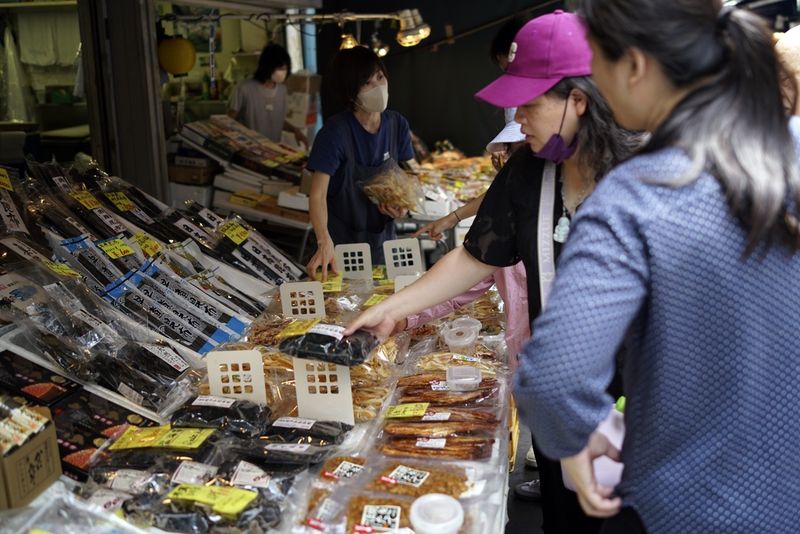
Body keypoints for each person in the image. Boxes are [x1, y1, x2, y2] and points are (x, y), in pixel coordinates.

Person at [346, 11, 638, 533]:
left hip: (642, 403)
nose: (517, 115)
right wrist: (391, 309)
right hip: (564, 402)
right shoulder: (530, 170)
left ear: (578, 99)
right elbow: (478, 256)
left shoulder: (647, 173)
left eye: (529, 102)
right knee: (567, 520)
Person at [516, 2, 800, 533]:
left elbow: (554, 377)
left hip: (682, 511)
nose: (595, 77)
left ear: (636, 67)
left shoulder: (635, 199)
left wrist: (576, 435)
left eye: (597, 58)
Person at [306, 46, 415, 278]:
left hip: (383, 241)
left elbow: (408, 176)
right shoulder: (334, 133)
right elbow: (316, 195)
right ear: (350, 92)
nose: (378, 86)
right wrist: (324, 240)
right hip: (342, 244)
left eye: (380, 76)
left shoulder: (397, 125)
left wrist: (403, 206)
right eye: (367, 83)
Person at [228, 43, 307, 146]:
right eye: (279, 69)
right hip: (249, 151)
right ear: (267, 66)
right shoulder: (244, 88)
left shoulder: (282, 91)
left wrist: (295, 130)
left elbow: (276, 122)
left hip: (273, 152)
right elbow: (229, 121)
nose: (282, 73)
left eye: (285, 69)